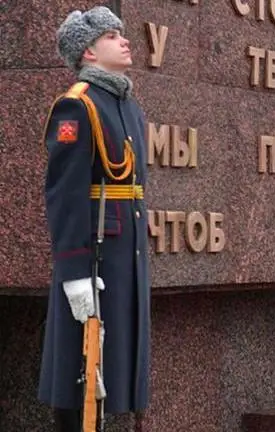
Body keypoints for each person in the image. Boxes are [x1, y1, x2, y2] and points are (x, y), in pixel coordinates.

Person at [38, 6, 151, 431]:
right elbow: (64, 195)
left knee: (115, 369)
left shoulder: (127, 106)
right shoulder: (77, 108)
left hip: (126, 254)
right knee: (78, 370)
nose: (124, 41)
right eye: (111, 36)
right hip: (94, 260)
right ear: (88, 52)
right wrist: (73, 273)